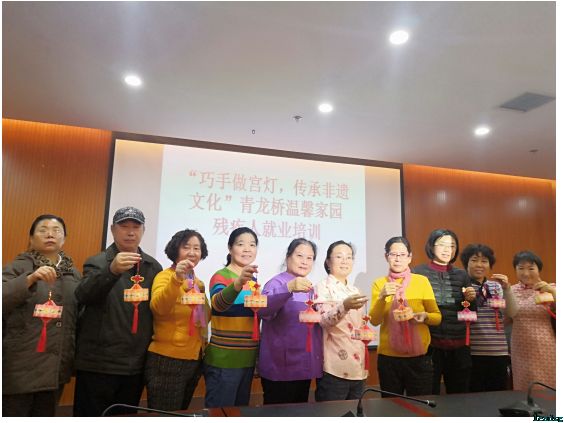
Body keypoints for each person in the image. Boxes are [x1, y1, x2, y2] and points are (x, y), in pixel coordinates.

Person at [73, 207, 163, 416]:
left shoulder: (152, 266)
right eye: (124, 226)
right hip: (98, 363)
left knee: (125, 417)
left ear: (143, 231)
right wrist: (111, 270)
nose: (130, 232)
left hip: (135, 364)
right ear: (113, 230)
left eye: (136, 227)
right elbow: (83, 295)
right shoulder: (97, 262)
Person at [2, 215, 81, 416]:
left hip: (56, 366)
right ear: (31, 238)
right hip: (21, 366)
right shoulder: (18, 266)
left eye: (56, 230)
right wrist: (29, 279)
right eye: (43, 230)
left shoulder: (73, 273)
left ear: (64, 239)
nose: (50, 234)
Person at [144, 229, 211, 411]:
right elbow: (158, 308)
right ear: (175, 250)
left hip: (193, 359)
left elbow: (204, 318)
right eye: (186, 247)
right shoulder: (165, 276)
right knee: (165, 416)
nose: (192, 252)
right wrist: (176, 280)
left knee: (181, 413)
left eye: (197, 248)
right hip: (167, 360)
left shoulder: (197, 282)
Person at [370, 236, 441, 397]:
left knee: (420, 405)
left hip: (419, 358)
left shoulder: (421, 281)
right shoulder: (379, 284)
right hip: (389, 358)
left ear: (409, 257)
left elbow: (437, 317)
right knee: (390, 406)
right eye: (393, 254)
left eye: (402, 255)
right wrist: (381, 297)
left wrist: (424, 316)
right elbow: (374, 320)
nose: (397, 259)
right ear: (386, 256)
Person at [257, 238, 322, 405]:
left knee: (299, 412)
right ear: (288, 257)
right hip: (280, 366)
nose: (304, 261)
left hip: (303, 365)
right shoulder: (276, 283)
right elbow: (263, 310)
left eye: (309, 258)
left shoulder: (311, 288)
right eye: (299, 256)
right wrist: (288, 288)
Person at [412, 229, 476, 395]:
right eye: (442, 245)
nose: (448, 249)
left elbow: (470, 313)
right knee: (428, 394)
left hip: (459, 345)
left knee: (459, 396)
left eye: (452, 246)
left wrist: (471, 300)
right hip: (429, 346)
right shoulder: (418, 273)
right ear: (431, 246)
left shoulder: (462, 275)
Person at [203, 227, 259, 408]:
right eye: (241, 244)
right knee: (219, 414)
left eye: (252, 245)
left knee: (239, 414)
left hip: (247, 359)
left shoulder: (254, 282)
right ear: (230, 248)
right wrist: (238, 283)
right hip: (224, 360)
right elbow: (218, 305)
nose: (247, 249)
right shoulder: (221, 276)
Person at [315, 241, 369, 401]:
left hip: (358, 367)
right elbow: (324, 321)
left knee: (356, 412)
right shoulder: (322, 287)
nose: (345, 261)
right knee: (333, 412)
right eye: (339, 256)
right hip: (334, 367)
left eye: (349, 257)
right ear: (328, 262)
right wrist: (344, 306)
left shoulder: (355, 290)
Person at [460, 243, 517, 392]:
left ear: (490, 265)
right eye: (474, 260)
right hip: (472, 352)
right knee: (473, 396)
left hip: (498, 351)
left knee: (497, 395)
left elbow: (511, 313)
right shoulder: (462, 287)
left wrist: (507, 289)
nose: (479, 265)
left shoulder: (496, 287)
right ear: (466, 263)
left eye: (484, 261)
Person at [509, 251, 555, 391]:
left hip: (546, 345)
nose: (526, 273)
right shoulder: (511, 290)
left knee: (547, 386)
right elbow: (507, 317)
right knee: (523, 385)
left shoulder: (551, 288)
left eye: (531, 268)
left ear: (538, 269)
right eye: (521, 268)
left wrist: (553, 292)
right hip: (520, 345)